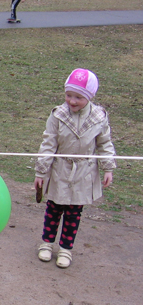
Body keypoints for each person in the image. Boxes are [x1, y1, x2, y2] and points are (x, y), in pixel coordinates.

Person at [34, 69, 116, 269]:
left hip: (83, 173)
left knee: (73, 213)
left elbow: (104, 144)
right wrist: (41, 172)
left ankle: (65, 248)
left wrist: (108, 168)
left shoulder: (99, 117)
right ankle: (46, 243)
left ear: (90, 96)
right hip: (60, 169)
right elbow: (48, 144)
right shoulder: (58, 115)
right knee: (54, 209)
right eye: (68, 95)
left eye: (78, 97)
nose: (72, 101)